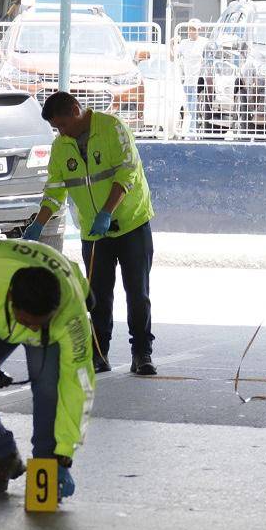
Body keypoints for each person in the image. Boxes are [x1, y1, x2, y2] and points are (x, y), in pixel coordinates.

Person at [0, 239, 95, 497]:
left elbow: (78, 385)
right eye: (27, 322)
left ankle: (47, 466)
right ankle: (5, 456)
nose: (31, 329)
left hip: (54, 326)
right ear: (11, 299)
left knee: (50, 390)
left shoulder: (70, 315)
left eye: (38, 324)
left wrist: (65, 453)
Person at [24, 91, 157, 376]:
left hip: (131, 224)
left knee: (137, 293)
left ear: (76, 110)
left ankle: (142, 353)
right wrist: (39, 223)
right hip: (94, 233)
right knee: (97, 296)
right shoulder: (62, 146)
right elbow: (55, 190)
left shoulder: (112, 129)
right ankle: (99, 353)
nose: (61, 132)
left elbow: (127, 174)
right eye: (57, 129)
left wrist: (107, 212)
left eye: (63, 125)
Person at [175, 18, 208, 134]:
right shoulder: (184, 43)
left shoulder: (204, 42)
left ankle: (193, 131)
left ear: (199, 30)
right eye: (190, 29)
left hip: (198, 81)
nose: (191, 31)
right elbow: (173, 56)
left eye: (194, 29)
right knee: (187, 109)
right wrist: (171, 44)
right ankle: (187, 131)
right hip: (187, 81)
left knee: (195, 108)